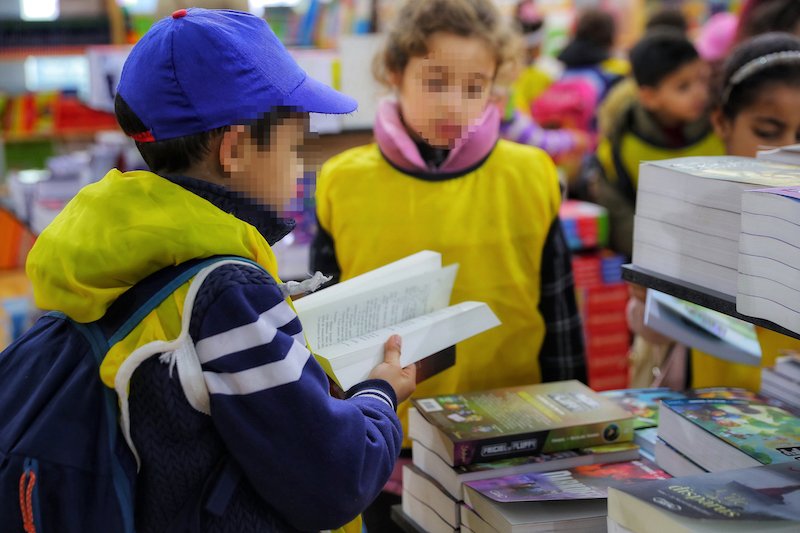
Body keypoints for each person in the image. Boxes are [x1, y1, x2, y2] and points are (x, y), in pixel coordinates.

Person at [24, 9, 416, 532]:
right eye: (294, 148)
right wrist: (380, 394)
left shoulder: (124, 252)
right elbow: (337, 477)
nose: (300, 169)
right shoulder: (228, 292)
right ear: (234, 149)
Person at [311, 0, 587, 528]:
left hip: (514, 436)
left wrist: (575, 432)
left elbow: (560, 316)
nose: (454, 105)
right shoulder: (342, 181)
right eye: (435, 82)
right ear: (395, 73)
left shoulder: (531, 175)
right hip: (388, 445)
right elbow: (325, 337)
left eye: (473, 86)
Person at [694, 32, 800, 390]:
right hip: (711, 414)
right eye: (767, 132)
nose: (788, 152)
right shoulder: (688, 213)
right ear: (722, 123)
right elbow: (658, 335)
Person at [588, 30, 724, 260]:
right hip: (654, 259)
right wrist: (652, 254)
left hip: (718, 251)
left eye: (703, 79)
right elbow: (618, 211)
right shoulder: (622, 142)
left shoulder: (720, 126)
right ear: (649, 97)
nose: (700, 93)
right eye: (683, 87)